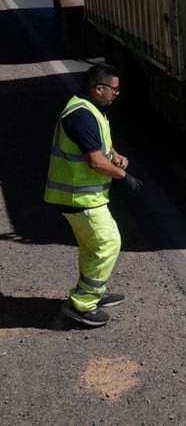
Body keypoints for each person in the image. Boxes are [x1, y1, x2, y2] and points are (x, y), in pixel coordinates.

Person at [44, 63, 143, 327]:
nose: (117, 93)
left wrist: (116, 156)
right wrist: (123, 176)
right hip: (78, 197)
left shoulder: (89, 108)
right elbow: (96, 162)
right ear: (99, 89)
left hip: (85, 196)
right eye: (114, 89)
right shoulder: (82, 115)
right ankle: (82, 304)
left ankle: (93, 294)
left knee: (92, 246)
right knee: (107, 243)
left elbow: (100, 147)